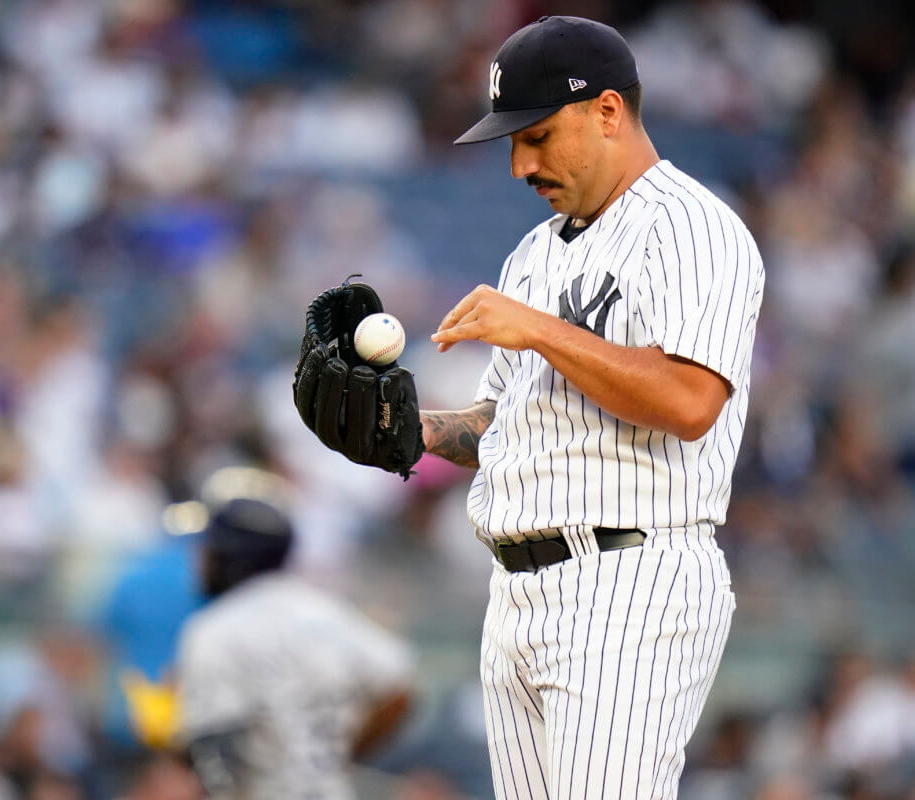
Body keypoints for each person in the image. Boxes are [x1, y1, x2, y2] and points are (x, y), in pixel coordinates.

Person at [420, 15, 765, 800]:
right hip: (517, 590)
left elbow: (687, 400)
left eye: (536, 136)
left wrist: (540, 330)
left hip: (627, 583)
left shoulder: (690, 226)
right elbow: (496, 427)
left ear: (607, 112)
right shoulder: (538, 252)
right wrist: (402, 429)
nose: (518, 165)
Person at [174, 496, 414, 800]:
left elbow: (214, 752)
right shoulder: (323, 610)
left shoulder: (213, 630)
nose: (199, 558)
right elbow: (400, 688)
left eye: (207, 547)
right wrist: (344, 754)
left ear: (231, 554)